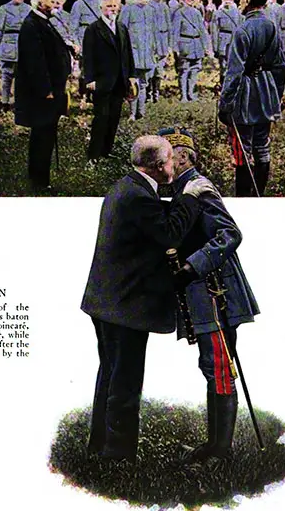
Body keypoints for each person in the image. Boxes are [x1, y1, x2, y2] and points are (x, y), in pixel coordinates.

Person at [81, 134, 216, 463]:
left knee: (111, 374)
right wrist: (191, 197)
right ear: (159, 167)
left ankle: (100, 445)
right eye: (171, 160)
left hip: (106, 301)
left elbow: (153, 221)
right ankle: (118, 456)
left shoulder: (128, 186)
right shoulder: (140, 197)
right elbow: (168, 233)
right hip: (123, 306)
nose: (175, 165)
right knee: (125, 382)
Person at [158, 126, 260, 463]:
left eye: (166, 156)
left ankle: (220, 451)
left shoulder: (199, 189)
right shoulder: (179, 187)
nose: (161, 164)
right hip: (203, 293)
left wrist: (192, 267)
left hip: (217, 292)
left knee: (218, 366)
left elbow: (230, 233)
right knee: (212, 366)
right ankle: (214, 446)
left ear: (182, 157)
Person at [219, 0, 285, 197]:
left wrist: (225, 104)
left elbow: (234, 73)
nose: (240, 1)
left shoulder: (243, 30)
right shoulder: (271, 26)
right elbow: (280, 67)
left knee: (243, 148)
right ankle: (260, 194)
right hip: (267, 91)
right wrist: (276, 96)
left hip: (246, 93)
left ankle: (243, 196)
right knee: (262, 145)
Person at [14, 0, 71, 192]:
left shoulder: (43, 22)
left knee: (46, 134)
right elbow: (35, 62)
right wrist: (46, 90)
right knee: (42, 136)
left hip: (52, 90)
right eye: (52, 0)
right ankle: (39, 181)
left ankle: (40, 177)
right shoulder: (31, 25)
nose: (56, 3)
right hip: (43, 94)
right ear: (40, 4)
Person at [83, 0, 136, 165]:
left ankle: (106, 151)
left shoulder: (121, 28)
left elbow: (128, 54)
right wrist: (89, 79)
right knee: (101, 118)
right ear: (101, 8)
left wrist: (132, 76)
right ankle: (93, 155)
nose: (112, 9)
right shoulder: (93, 29)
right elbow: (88, 56)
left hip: (119, 82)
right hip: (102, 81)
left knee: (114, 118)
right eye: (109, 6)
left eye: (115, 6)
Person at [119, 0, 157, 121]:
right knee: (132, 83)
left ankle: (141, 112)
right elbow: (121, 32)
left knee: (144, 83)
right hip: (133, 53)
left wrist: (156, 50)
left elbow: (154, 32)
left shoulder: (151, 10)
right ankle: (132, 113)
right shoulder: (128, 9)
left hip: (147, 53)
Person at [0, 0, 32, 110]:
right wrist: (3, 43)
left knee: (23, 76)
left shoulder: (29, 9)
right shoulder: (4, 9)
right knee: (7, 75)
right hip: (8, 46)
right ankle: (5, 102)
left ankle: (20, 101)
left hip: (24, 46)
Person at [172, 0, 212, 102]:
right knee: (184, 71)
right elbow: (175, 31)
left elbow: (202, 30)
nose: (191, 1)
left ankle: (192, 94)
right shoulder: (179, 13)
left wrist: (205, 46)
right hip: (184, 43)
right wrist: (175, 48)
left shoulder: (197, 13)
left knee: (195, 70)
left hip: (196, 44)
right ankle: (183, 95)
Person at [70, 0, 102, 102]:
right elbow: (73, 27)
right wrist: (76, 44)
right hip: (85, 42)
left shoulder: (102, 3)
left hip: (100, 42)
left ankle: (97, 95)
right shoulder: (79, 4)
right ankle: (84, 96)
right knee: (85, 71)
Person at [147, 0, 173, 102]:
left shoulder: (165, 7)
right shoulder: (148, 6)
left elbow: (169, 26)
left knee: (159, 70)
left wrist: (169, 45)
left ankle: (155, 92)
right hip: (152, 41)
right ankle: (148, 92)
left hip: (162, 41)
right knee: (150, 69)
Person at [210, 0, 242, 84]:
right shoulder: (218, 12)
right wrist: (215, 47)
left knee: (233, 64)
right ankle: (223, 84)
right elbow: (214, 30)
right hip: (222, 39)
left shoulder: (238, 12)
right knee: (223, 65)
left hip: (234, 39)